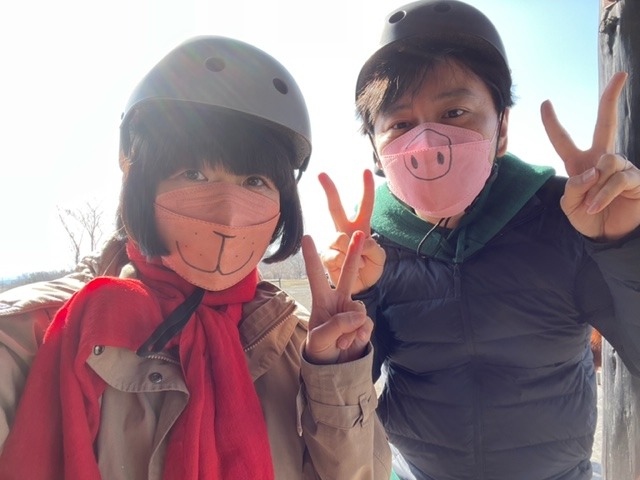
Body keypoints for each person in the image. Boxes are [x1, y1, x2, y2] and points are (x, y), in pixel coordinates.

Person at [0, 36, 391, 479]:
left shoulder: (293, 339)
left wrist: (334, 373)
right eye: (194, 173)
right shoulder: (30, 334)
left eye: (255, 181)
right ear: (138, 183)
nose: (228, 213)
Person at [319, 1, 640, 479]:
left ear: (501, 127)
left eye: (455, 112)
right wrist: (353, 300)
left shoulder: (567, 216)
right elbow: (353, 388)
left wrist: (621, 244)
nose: (427, 144)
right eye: (400, 125)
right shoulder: (371, 247)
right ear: (376, 149)